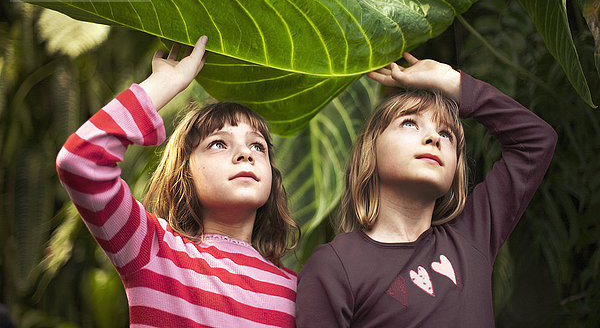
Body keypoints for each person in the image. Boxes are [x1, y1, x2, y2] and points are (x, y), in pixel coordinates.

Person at [296, 53, 557, 327]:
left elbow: (536, 140)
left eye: (447, 134)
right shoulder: (334, 265)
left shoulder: (472, 236)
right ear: (370, 151)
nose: (434, 138)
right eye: (409, 122)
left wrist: (451, 81)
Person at [56, 36, 299, 327]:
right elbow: (81, 160)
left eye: (258, 146)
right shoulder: (153, 251)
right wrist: (165, 83)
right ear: (185, 171)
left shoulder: (298, 291)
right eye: (219, 143)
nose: (245, 154)